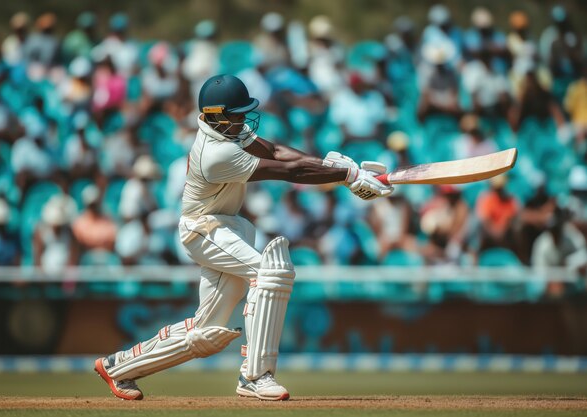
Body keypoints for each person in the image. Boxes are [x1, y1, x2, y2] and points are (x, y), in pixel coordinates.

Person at [94, 74, 394, 401]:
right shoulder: (216, 153)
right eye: (237, 114)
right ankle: (255, 376)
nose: (243, 120)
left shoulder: (228, 131)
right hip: (204, 229)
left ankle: (118, 366)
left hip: (224, 227)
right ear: (217, 114)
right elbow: (286, 172)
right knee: (271, 272)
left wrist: (329, 166)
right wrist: (347, 175)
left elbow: (277, 151)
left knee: (206, 331)